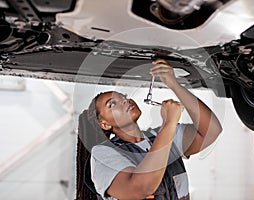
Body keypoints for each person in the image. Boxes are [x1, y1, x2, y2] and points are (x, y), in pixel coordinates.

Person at [75, 59, 223, 200]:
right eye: (112, 104)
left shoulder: (163, 136)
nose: (124, 100)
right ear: (105, 124)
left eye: (123, 97)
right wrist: (169, 123)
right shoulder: (103, 154)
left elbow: (212, 130)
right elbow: (140, 188)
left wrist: (174, 85)